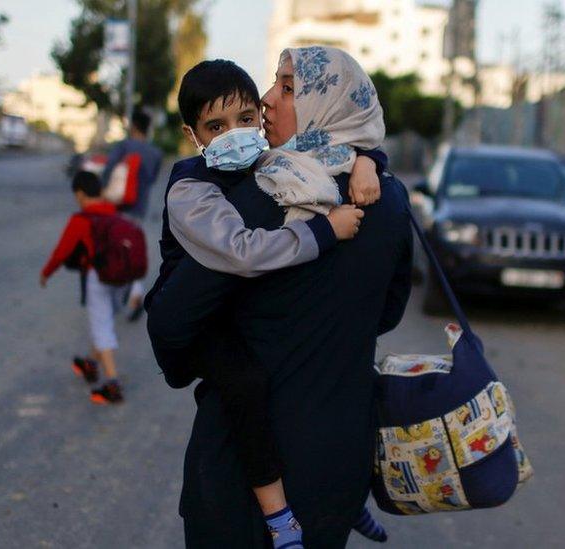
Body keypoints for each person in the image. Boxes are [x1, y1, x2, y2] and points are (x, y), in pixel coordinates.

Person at [147, 46, 413, 547]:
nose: (269, 100)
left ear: (324, 105)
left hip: (242, 479)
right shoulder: (389, 198)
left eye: (288, 89)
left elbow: (171, 319)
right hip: (337, 468)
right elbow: (387, 312)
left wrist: (188, 363)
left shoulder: (263, 194)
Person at [40, 171, 129, 405]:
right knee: (105, 322)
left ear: (79, 194)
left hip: (97, 277)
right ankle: (90, 362)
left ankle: (113, 384)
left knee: (102, 327)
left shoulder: (81, 220)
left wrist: (46, 273)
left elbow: (62, 252)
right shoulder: (115, 213)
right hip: (122, 278)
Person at [102, 107, 164, 318]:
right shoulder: (155, 153)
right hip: (139, 208)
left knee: (114, 250)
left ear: (133, 126)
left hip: (118, 206)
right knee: (131, 248)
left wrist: (102, 192)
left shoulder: (124, 146)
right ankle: (135, 294)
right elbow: (153, 179)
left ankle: (113, 300)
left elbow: (109, 170)